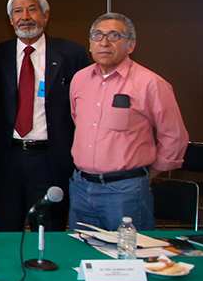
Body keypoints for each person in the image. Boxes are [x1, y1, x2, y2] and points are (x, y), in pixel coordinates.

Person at [69, 13, 188, 231]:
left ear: (130, 45)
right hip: (81, 189)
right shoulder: (79, 79)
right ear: (90, 43)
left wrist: (147, 173)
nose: (104, 42)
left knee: (131, 259)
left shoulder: (150, 83)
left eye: (114, 36)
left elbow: (175, 136)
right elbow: (78, 121)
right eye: (98, 35)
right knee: (82, 257)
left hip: (125, 190)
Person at [0, 0, 89, 232]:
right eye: (17, 11)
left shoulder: (71, 54)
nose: (25, 17)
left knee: (50, 232)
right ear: (10, 19)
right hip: (6, 160)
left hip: (50, 160)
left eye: (32, 9)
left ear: (46, 15)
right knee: (6, 232)